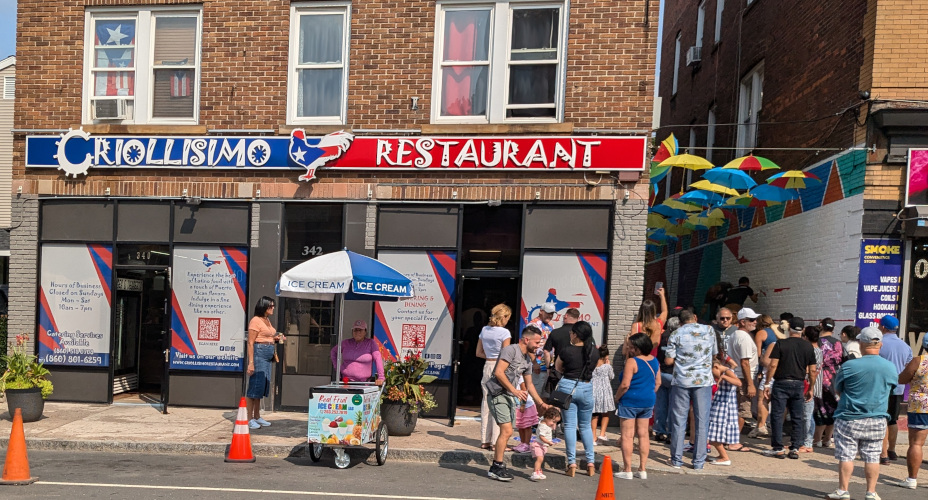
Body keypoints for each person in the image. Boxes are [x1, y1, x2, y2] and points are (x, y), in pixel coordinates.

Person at [825, 327, 898, 500]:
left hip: (849, 416)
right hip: (877, 417)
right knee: (873, 456)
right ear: (879, 344)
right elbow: (891, 389)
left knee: (846, 455)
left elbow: (838, 389)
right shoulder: (890, 367)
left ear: (861, 343)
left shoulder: (849, 365)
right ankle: (871, 492)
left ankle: (843, 490)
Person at [484, 325, 548, 482]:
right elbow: (498, 372)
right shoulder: (511, 350)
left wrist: (541, 403)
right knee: (506, 430)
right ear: (527, 340)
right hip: (497, 394)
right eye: (537, 342)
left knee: (507, 431)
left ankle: (497, 465)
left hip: (508, 396)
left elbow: (530, 385)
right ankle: (496, 467)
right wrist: (515, 391)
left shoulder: (527, 360)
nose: (539, 346)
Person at [664, 310, 718, 470]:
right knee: (702, 420)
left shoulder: (676, 334)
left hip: (682, 380)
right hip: (703, 380)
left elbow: (668, 360)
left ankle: (676, 460)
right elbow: (715, 353)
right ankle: (698, 462)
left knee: (679, 420)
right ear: (695, 318)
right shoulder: (709, 330)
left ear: (680, 322)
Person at [763, 317, 818, 459]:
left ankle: (778, 447)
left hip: (781, 382)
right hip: (799, 383)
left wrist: (767, 383)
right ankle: (795, 447)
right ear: (803, 330)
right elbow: (812, 370)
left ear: (789, 328)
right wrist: (811, 387)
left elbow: (773, 365)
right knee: (797, 416)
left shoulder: (781, 343)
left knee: (777, 414)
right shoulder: (808, 347)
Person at [553, 320, 599, 477]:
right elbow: (595, 368)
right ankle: (591, 463)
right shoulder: (594, 352)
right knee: (586, 426)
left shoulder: (566, 351)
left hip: (568, 387)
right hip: (586, 387)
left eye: (571, 333)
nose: (570, 335)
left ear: (576, 335)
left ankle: (571, 463)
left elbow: (558, 367)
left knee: (570, 426)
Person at [613, 333, 659, 479]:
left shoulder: (632, 362)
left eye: (632, 347)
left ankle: (627, 470)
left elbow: (625, 384)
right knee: (643, 434)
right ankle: (642, 469)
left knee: (627, 436)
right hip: (648, 400)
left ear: (638, 348)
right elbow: (658, 382)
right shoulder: (655, 361)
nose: (630, 349)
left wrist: (617, 397)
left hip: (630, 401)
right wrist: (648, 393)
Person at [889, 334, 928, 490]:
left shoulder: (919, 361)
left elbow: (902, 379)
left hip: (920, 405)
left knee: (916, 443)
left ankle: (912, 479)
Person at [875, 315, 912, 465]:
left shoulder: (880, 344)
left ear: (883, 327)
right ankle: (892, 449)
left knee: (882, 419)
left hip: (881, 387)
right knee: (893, 419)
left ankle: (883, 454)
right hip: (898, 388)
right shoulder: (905, 346)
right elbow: (909, 368)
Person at [476, 303, 512, 451]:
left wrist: (490, 356)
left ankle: (484, 439)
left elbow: (478, 352)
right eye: (508, 317)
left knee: (486, 403)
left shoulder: (484, 330)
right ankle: (496, 441)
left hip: (487, 365)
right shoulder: (505, 333)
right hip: (500, 368)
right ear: (503, 317)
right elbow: (506, 354)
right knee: (499, 403)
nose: (508, 320)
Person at [246, 296, 285, 430]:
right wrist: (251, 363)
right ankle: (249, 418)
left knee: (262, 386)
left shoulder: (266, 320)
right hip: (259, 354)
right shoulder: (255, 321)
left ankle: (257, 415)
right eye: (271, 306)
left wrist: (276, 338)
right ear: (264, 306)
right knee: (255, 386)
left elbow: (266, 336)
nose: (273, 308)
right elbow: (251, 342)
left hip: (267, 354)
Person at [727, 308, 759, 440]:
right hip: (744, 377)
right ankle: (734, 440)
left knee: (735, 409)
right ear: (742, 321)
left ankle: (730, 438)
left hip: (737, 375)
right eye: (751, 320)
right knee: (743, 410)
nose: (755, 322)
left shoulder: (734, 335)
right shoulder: (744, 337)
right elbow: (745, 362)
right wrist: (750, 384)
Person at [707, 358, 743, 466]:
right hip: (719, 405)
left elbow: (738, 382)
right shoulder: (726, 370)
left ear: (716, 367)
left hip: (724, 407)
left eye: (713, 373)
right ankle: (721, 455)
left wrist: (723, 376)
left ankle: (724, 457)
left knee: (714, 435)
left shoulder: (727, 372)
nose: (714, 376)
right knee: (714, 433)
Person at [814, 318, 843, 448]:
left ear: (821, 326)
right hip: (833, 376)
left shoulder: (817, 342)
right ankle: (827, 439)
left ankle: (817, 439)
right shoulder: (838, 343)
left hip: (819, 375)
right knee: (833, 406)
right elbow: (841, 360)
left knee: (820, 407)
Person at [330, 319, 384, 386]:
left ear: (365, 332)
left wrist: (381, 377)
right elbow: (333, 352)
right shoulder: (345, 343)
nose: (357, 332)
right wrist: (338, 368)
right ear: (352, 331)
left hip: (364, 383)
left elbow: (377, 358)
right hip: (345, 381)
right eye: (355, 330)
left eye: (360, 330)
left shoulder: (371, 343)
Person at [653, 316, 680, 443]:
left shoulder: (662, 337)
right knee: (673, 406)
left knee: (660, 404)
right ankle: (670, 433)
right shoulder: (678, 338)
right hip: (674, 375)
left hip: (661, 373)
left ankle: (659, 431)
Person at [542, 307, 580, 398]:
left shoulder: (555, 332)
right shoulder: (581, 334)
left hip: (559, 372)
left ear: (566, 316)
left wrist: (548, 367)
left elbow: (546, 351)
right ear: (577, 319)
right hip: (577, 372)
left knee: (557, 400)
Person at [750, 314, 777, 438]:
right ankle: (765, 425)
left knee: (762, 399)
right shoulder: (775, 333)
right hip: (777, 369)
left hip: (766, 368)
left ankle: (761, 425)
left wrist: (759, 371)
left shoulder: (761, 333)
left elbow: (758, 353)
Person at [800, 326, 823, 454]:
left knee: (807, 415)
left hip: (809, 385)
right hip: (813, 385)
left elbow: (811, 370)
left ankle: (808, 442)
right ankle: (806, 441)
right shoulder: (818, 350)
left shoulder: (811, 351)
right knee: (807, 414)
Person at [529, 303, 556, 401]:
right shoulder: (533, 325)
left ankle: (541, 416)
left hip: (548, 368)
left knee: (545, 397)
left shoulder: (551, 325)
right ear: (541, 311)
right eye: (548, 313)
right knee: (535, 397)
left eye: (552, 313)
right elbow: (528, 346)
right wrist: (534, 363)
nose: (550, 316)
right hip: (537, 368)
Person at [630, 287, 668, 352]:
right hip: (652, 359)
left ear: (641, 311)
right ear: (654, 311)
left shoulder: (636, 326)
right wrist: (662, 295)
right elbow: (665, 311)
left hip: (639, 359)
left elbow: (632, 344)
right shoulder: (659, 323)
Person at [591, 346, 615, 443]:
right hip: (605, 391)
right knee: (605, 413)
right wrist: (609, 364)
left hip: (593, 391)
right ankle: (602, 434)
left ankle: (593, 437)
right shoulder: (607, 366)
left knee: (594, 414)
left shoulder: (592, 365)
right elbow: (611, 376)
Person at [530, 407, 561, 481]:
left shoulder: (546, 423)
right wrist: (548, 442)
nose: (553, 424)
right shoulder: (543, 426)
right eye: (553, 422)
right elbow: (541, 437)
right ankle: (535, 472)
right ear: (547, 418)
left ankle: (539, 471)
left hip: (542, 445)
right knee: (539, 459)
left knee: (541, 459)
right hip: (538, 445)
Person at [513, 375, 537, 454]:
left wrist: (523, 404)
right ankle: (522, 443)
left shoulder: (521, 377)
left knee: (527, 426)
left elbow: (524, 390)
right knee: (520, 425)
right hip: (517, 405)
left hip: (526, 405)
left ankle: (526, 444)